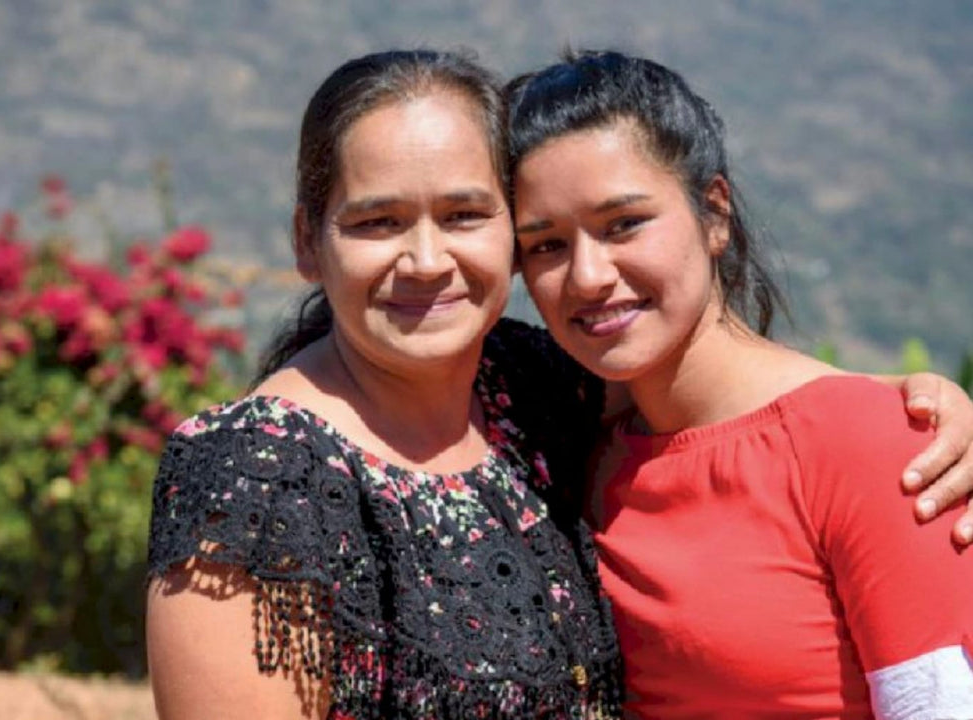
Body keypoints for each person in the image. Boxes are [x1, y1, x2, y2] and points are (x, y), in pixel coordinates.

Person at [145, 49, 973, 720]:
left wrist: (893, 412)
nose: (427, 260)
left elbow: (757, 426)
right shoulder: (252, 475)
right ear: (308, 240)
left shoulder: (532, 393)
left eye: (466, 215)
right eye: (377, 221)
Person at [507, 49, 973, 718]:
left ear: (715, 213)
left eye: (624, 225)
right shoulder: (567, 449)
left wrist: (878, 424)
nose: (587, 276)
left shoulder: (873, 444)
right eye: (546, 244)